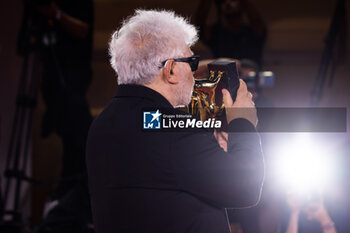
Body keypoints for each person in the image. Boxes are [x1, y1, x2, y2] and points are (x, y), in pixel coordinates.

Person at [86, 9, 264, 233]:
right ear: (170, 70)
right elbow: (245, 187)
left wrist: (211, 151)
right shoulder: (175, 128)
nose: (193, 72)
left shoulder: (102, 125)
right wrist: (243, 121)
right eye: (190, 62)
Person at [36, 0, 94, 200]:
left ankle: (73, 191)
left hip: (73, 74)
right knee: (67, 130)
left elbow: (83, 29)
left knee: (78, 135)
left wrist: (56, 14)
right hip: (52, 74)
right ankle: (68, 191)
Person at [195, 0, 267, 68]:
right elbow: (199, 24)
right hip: (223, 78)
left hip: (252, 76)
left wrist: (243, 2)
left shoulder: (252, 31)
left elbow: (256, 21)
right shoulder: (217, 33)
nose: (228, 3)